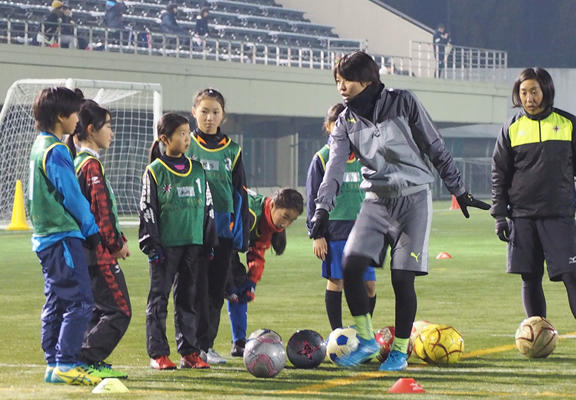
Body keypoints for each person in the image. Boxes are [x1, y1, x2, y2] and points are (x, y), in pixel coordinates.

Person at [309, 51, 489, 371]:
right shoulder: (345, 122)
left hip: (414, 199)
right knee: (351, 264)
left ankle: (400, 352)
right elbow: (334, 168)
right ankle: (366, 340)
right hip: (376, 202)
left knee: (402, 278)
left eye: (347, 80)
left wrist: (459, 190)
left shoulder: (403, 101)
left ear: (367, 80)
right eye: (337, 81)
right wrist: (322, 208)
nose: (341, 87)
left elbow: (434, 145)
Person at [28, 87, 102, 385]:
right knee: (80, 301)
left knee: (57, 301)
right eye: (74, 114)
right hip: (62, 237)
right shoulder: (57, 150)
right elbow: (72, 195)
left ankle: (54, 363)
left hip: (45, 238)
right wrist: (91, 229)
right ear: (61, 116)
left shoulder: (40, 145)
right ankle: (67, 363)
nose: (78, 121)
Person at [491, 67, 576, 324]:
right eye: (524, 92)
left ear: (546, 91)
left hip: (559, 216)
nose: (529, 98)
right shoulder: (511, 128)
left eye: (534, 91)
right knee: (530, 277)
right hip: (522, 217)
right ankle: (538, 336)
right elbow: (499, 174)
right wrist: (500, 217)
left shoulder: (568, 123)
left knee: (572, 275)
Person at [139, 113, 217, 370]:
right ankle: (158, 354)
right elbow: (147, 208)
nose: (187, 138)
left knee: (188, 299)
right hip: (165, 247)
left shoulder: (198, 169)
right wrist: (152, 244)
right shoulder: (155, 171)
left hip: (193, 244)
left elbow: (208, 206)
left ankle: (189, 352)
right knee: (158, 300)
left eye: (187, 133)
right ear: (165, 139)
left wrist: (209, 240)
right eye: (181, 134)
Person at [65, 99, 131, 379]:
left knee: (98, 309)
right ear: (91, 129)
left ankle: (82, 359)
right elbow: (101, 211)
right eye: (108, 126)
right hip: (98, 253)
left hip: (83, 252)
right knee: (120, 311)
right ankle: (85, 358)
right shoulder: (90, 166)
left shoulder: (77, 163)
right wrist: (116, 245)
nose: (112, 133)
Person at [186, 88, 249, 365]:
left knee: (214, 291)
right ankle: (189, 347)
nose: (209, 117)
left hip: (222, 231)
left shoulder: (233, 150)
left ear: (223, 115)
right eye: (204, 111)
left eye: (215, 112)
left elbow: (240, 192)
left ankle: (206, 346)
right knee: (191, 290)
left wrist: (241, 235)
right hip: (191, 228)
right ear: (194, 112)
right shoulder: (186, 144)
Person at [306, 103, 377, 331]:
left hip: (363, 230)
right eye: (336, 123)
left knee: (369, 285)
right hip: (334, 230)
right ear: (328, 127)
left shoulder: (364, 156)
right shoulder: (322, 158)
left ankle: (363, 333)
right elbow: (312, 198)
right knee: (337, 281)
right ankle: (337, 335)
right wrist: (317, 235)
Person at [226, 188, 304, 356]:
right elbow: (222, 240)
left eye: (292, 220)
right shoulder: (250, 213)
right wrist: (226, 279)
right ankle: (201, 349)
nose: (286, 225)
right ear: (273, 205)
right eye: (285, 217)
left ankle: (239, 343)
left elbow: (258, 250)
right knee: (212, 293)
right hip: (211, 243)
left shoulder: (268, 220)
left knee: (240, 288)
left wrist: (251, 281)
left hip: (226, 248)